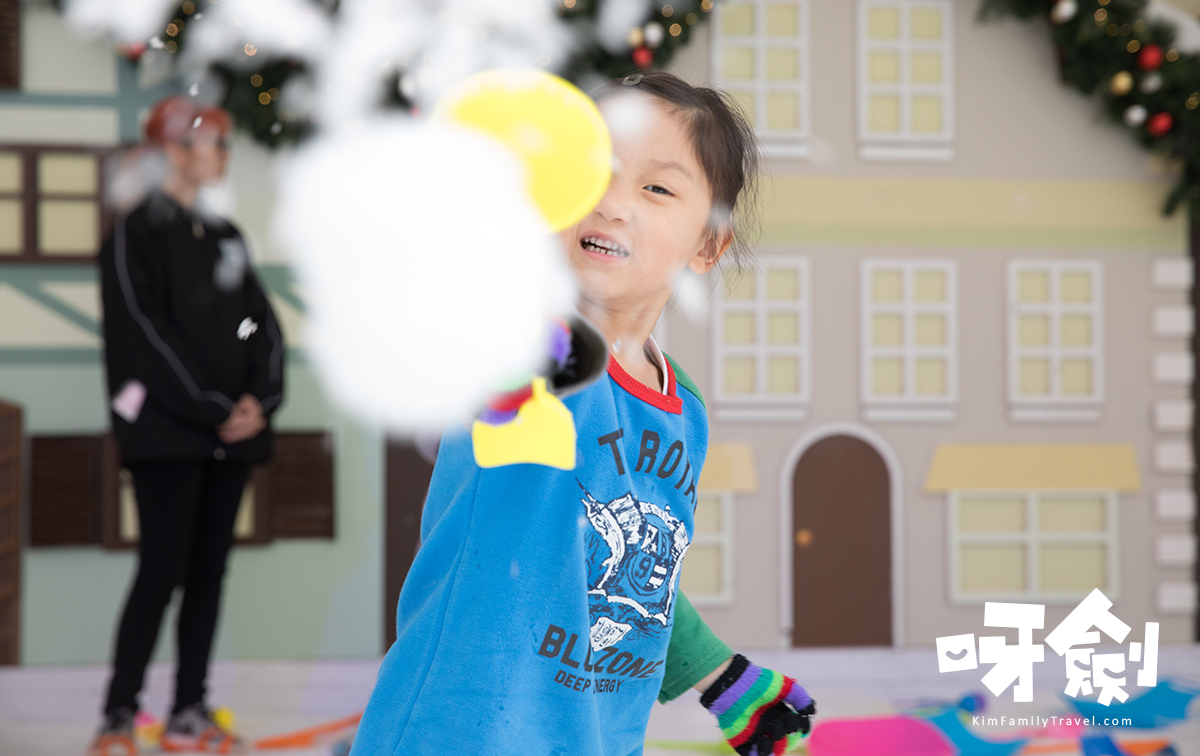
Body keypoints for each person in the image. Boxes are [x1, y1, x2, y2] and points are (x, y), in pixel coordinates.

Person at [352, 72, 814, 756]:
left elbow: (629, 568)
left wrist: (724, 678)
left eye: (656, 188)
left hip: (597, 737)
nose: (612, 203)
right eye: (592, 173)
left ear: (708, 244)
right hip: (460, 732)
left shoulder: (682, 410)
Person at [89, 97, 285, 756]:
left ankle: (188, 710)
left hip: (229, 438)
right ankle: (118, 715)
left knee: (208, 575)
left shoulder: (224, 235)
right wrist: (213, 406)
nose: (225, 154)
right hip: (168, 436)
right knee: (160, 572)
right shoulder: (134, 234)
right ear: (175, 151)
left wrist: (260, 398)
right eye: (215, 143)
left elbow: (258, 323)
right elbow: (144, 335)